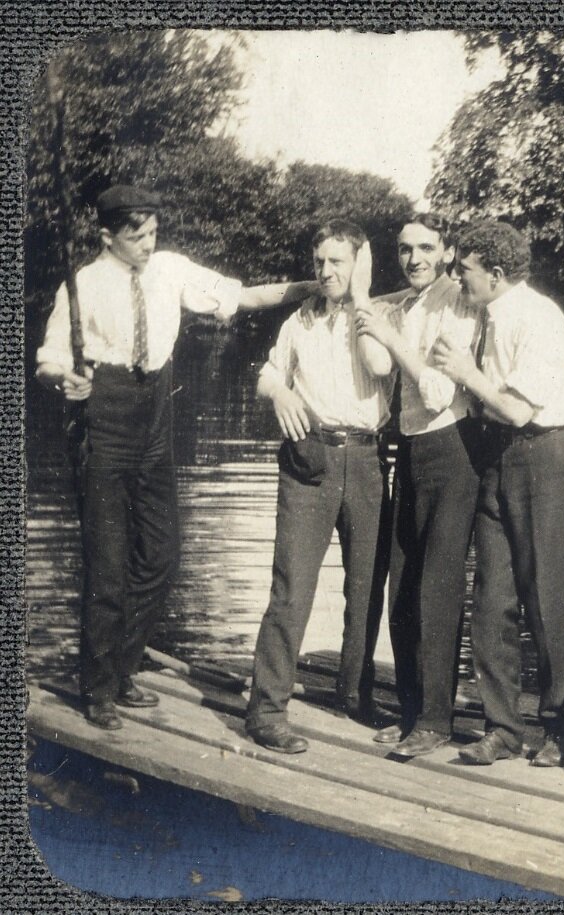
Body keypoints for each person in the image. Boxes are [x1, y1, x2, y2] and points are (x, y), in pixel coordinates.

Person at [35, 184, 315, 732]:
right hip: (103, 420)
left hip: (156, 420)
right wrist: (65, 378)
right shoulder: (84, 285)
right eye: (135, 236)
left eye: (153, 233)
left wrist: (315, 287)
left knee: (161, 559)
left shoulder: (170, 270)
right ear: (107, 236)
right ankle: (98, 688)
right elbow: (49, 358)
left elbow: (242, 296)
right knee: (108, 566)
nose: (147, 243)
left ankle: (120, 666)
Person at [431, 221, 564, 769]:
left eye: (464, 270)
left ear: (496, 275)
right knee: (492, 597)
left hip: (542, 454)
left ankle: (563, 726)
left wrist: (465, 373)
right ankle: (503, 726)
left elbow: (519, 409)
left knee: (544, 596)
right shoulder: (489, 314)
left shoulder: (538, 318)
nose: (456, 277)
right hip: (496, 455)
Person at [244, 220, 397, 754]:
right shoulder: (298, 322)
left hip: (368, 458)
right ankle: (266, 709)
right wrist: (280, 396)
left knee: (364, 588)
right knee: (292, 589)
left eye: (338, 261)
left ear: (360, 264)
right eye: (320, 262)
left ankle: (355, 696)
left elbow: (380, 365)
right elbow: (267, 374)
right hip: (308, 458)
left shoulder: (379, 316)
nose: (326, 271)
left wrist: (360, 301)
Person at [352, 213, 481, 757]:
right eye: (405, 250)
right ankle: (410, 713)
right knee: (401, 583)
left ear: (448, 252)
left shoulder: (462, 305)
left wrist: (386, 332)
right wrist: (367, 308)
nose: (414, 259)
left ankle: (435, 721)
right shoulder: (405, 304)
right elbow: (379, 366)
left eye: (426, 248)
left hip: (453, 449)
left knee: (437, 585)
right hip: (408, 450)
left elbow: (434, 391)